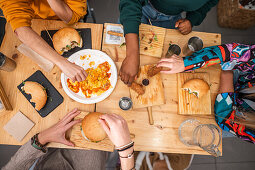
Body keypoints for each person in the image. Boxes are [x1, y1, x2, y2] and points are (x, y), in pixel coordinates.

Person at [156, 43, 255, 143]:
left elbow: (225, 119)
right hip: (239, 75)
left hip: (224, 115)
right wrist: (187, 63)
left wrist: (227, 70)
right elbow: (233, 52)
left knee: (198, 135)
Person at [119, 0, 218, 86]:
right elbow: (130, 2)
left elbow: (209, 3)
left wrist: (192, 19)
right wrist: (132, 55)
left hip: (172, 18)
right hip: (139, 10)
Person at [2, 108, 135, 170]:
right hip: (89, 165)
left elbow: (13, 167)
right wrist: (125, 150)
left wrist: (42, 138)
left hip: (48, 160)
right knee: (100, 150)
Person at [0, 0, 88, 82]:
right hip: (35, 23)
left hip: (68, 17)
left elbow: (71, 17)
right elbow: (21, 30)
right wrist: (62, 63)